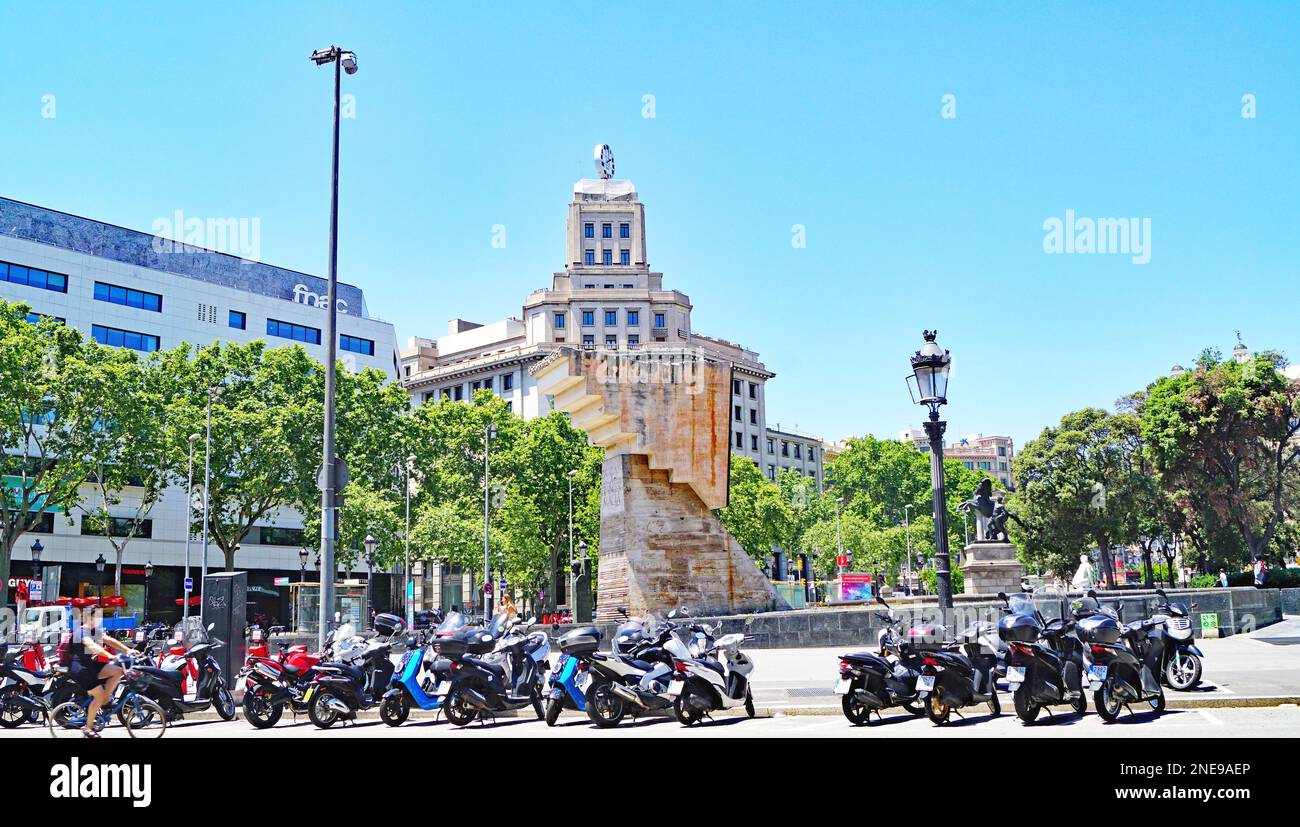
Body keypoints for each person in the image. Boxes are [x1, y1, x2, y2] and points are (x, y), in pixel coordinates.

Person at [69, 615, 137, 738]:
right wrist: (110, 656)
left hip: (89, 664)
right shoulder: (82, 631)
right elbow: (92, 646)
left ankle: (105, 700)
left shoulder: (93, 630)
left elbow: (109, 640)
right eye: (96, 617)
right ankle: (88, 728)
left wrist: (127, 650)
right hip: (80, 668)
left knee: (117, 671)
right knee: (98, 696)